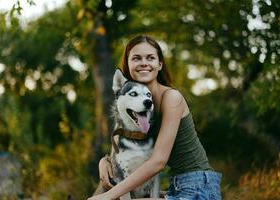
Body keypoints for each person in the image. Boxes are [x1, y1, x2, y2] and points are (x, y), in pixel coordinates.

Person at [87, 35, 222, 200]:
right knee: (110, 187)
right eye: (136, 58)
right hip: (176, 187)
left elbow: (159, 161)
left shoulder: (171, 98)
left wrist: (107, 196)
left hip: (199, 187)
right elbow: (117, 152)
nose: (144, 62)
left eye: (150, 58)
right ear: (128, 65)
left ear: (160, 64)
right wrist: (104, 161)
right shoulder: (130, 104)